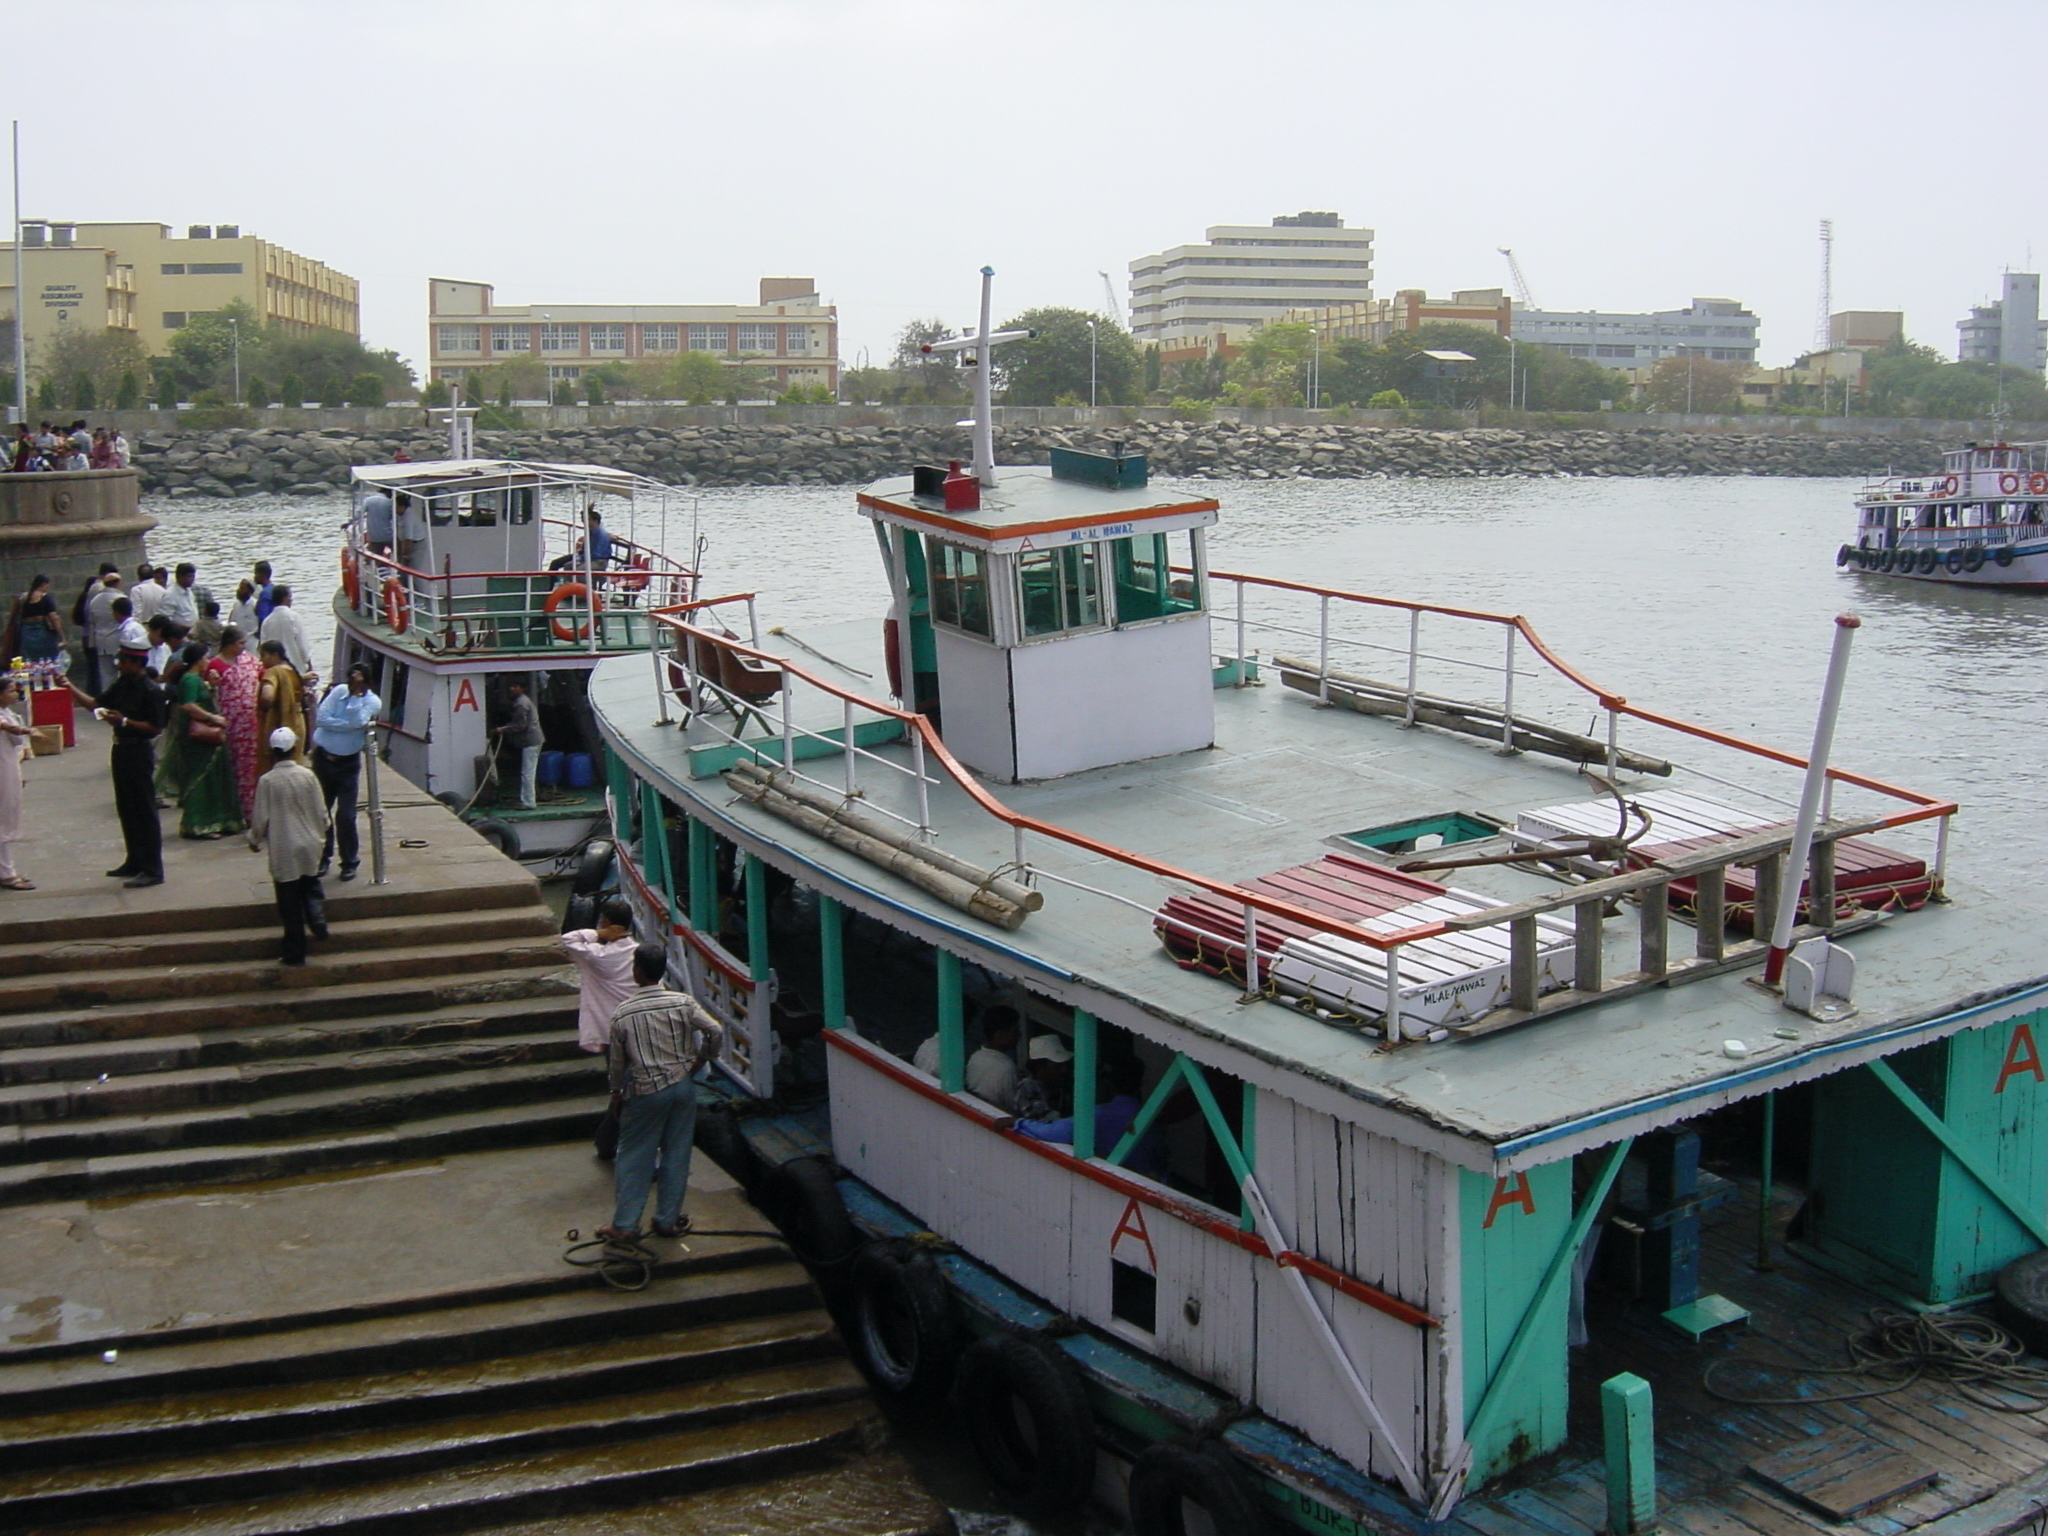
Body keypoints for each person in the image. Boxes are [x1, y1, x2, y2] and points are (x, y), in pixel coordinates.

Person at [596, 944, 724, 1243]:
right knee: (677, 1154)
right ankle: (666, 1220)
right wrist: (703, 1059)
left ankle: (625, 1225)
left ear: (636, 971)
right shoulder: (683, 1002)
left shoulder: (622, 1014)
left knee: (634, 1155)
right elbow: (715, 1030)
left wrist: (616, 1094)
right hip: (682, 1086)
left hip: (646, 1089)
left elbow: (617, 1064)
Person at [66, 645, 167, 887]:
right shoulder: (122, 684)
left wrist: (124, 721)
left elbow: (155, 727)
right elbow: (96, 705)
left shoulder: (150, 690)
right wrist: (68, 685)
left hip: (138, 750)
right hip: (120, 748)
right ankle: (134, 859)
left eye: (123, 661)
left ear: (135, 664)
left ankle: (152, 868)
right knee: (126, 806)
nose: (119, 665)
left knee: (143, 808)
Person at [248, 726, 330, 966]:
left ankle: (295, 952)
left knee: (289, 904)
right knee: (310, 885)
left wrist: (254, 840)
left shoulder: (268, 781)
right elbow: (322, 811)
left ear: (272, 752)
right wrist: (323, 829)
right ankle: (317, 919)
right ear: (295, 749)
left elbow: (260, 818)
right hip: (310, 843)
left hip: (285, 847)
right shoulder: (308, 776)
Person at [1002, 1054, 1163, 1176]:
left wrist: (1018, 1123)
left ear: (1111, 1083)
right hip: (1151, 1184)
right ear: (1140, 1084)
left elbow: (1054, 1132)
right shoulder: (1151, 1119)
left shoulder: (1098, 1115)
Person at [158, 642, 243, 841]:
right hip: (198, 739)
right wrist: (212, 718)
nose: (208, 662)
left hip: (208, 737)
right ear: (198, 661)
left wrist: (211, 687)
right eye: (206, 658)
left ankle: (218, 821)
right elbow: (188, 705)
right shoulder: (189, 680)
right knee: (201, 779)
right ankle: (198, 824)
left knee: (214, 777)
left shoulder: (197, 679)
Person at [310, 663, 380, 880]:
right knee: (322, 812)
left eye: (358, 682)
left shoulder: (372, 702)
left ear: (367, 683)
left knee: (346, 816)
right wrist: (344, 724)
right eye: (351, 680)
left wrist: (356, 698)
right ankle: (323, 857)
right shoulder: (339, 691)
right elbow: (321, 719)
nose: (352, 685)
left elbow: (358, 721)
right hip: (323, 759)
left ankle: (349, 862)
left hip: (347, 764)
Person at [562, 897, 638, 1055]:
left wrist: (597, 933)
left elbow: (568, 939)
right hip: (638, 1021)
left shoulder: (597, 955)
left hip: (610, 1025)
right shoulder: (639, 951)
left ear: (606, 922)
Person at [205, 627, 262, 818]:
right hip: (231, 725)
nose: (244, 647)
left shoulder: (249, 660)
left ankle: (251, 809)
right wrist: (212, 683)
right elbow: (207, 691)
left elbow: (264, 675)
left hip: (252, 723)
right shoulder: (215, 666)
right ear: (229, 645)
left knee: (251, 765)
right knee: (232, 765)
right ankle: (233, 810)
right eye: (241, 643)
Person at [0, 676, 35, 890]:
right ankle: (7, 873)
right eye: (11, 691)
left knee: (6, 818)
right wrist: (27, 730)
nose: (15, 694)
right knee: (2, 822)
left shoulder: (8, 712)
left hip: (8, 768)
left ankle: (5, 870)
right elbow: (7, 728)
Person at [490, 678, 542, 810]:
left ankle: (528, 802)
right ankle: (527, 800)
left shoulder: (521, 703)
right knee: (528, 771)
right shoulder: (522, 701)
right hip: (532, 740)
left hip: (530, 741)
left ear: (522, 688)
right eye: (512, 686)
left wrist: (501, 729)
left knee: (527, 772)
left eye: (516, 686)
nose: (512, 688)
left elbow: (520, 725)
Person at [256, 640, 307, 766]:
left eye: (263, 655)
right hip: (298, 722)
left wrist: (263, 708)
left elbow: (267, 696)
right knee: (295, 763)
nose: (261, 660)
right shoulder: (291, 669)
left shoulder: (273, 672)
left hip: (281, 723)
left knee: (275, 765)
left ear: (275, 655)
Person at [966, 1005, 1022, 1108]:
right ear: (1000, 1035)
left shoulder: (976, 1056)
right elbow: (1013, 1106)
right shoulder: (1007, 1068)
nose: (1019, 1035)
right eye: (1015, 1031)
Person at [1011, 1033, 1075, 1122]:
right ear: (1039, 1068)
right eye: (1057, 1067)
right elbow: (1047, 1123)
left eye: (1064, 1065)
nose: (1064, 1070)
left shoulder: (1060, 1085)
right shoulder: (1028, 1087)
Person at [258, 585, 313, 679]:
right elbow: (302, 644)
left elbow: (264, 647)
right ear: (285, 598)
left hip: (275, 671)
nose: (291, 600)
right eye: (290, 597)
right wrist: (308, 663)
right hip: (296, 668)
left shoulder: (267, 622)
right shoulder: (294, 618)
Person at [10, 573, 65, 666]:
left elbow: (14, 617)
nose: (47, 589)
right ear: (43, 584)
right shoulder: (46, 598)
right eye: (47, 586)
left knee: (30, 661)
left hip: (26, 633)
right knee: (48, 661)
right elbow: (53, 618)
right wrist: (62, 636)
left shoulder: (23, 598)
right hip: (43, 632)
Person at [83, 571, 123, 691]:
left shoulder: (95, 601)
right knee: (120, 674)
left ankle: (108, 701)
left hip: (100, 640)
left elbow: (92, 621)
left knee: (106, 675)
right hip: (116, 639)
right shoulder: (119, 598)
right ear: (117, 583)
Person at [551, 505, 614, 572]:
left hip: (598, 561)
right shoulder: (591, 532)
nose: (584, 521)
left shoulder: (598, 534)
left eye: (588, 519)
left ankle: (577, 581)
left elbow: (595, 554)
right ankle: (557, 581)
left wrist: (580, 560)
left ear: (595, 521)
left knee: (576, 570)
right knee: (565, 565)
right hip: (586, 556)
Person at [158, 563, 200, 629]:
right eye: (189, 576)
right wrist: (185, 628)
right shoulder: (170, 594)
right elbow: (166, 619)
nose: (192, 579)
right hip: (180, 633)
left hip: (194, 631)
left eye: (193, 576)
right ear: (179, 577)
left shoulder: (189, 590)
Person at [359, 487, 395, 554]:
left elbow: (359, 513)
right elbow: (393, 517)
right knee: (397, 553)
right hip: (389, 535)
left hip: (374, 537)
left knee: (374, 557)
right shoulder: (390, 502)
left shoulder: (368, 500)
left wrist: (349, 522)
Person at [251, 561, 277, 627]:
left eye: (256, 574)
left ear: (262, 575)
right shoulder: (274, 589)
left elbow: (263, 618)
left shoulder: (264, 594)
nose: (254, 577)